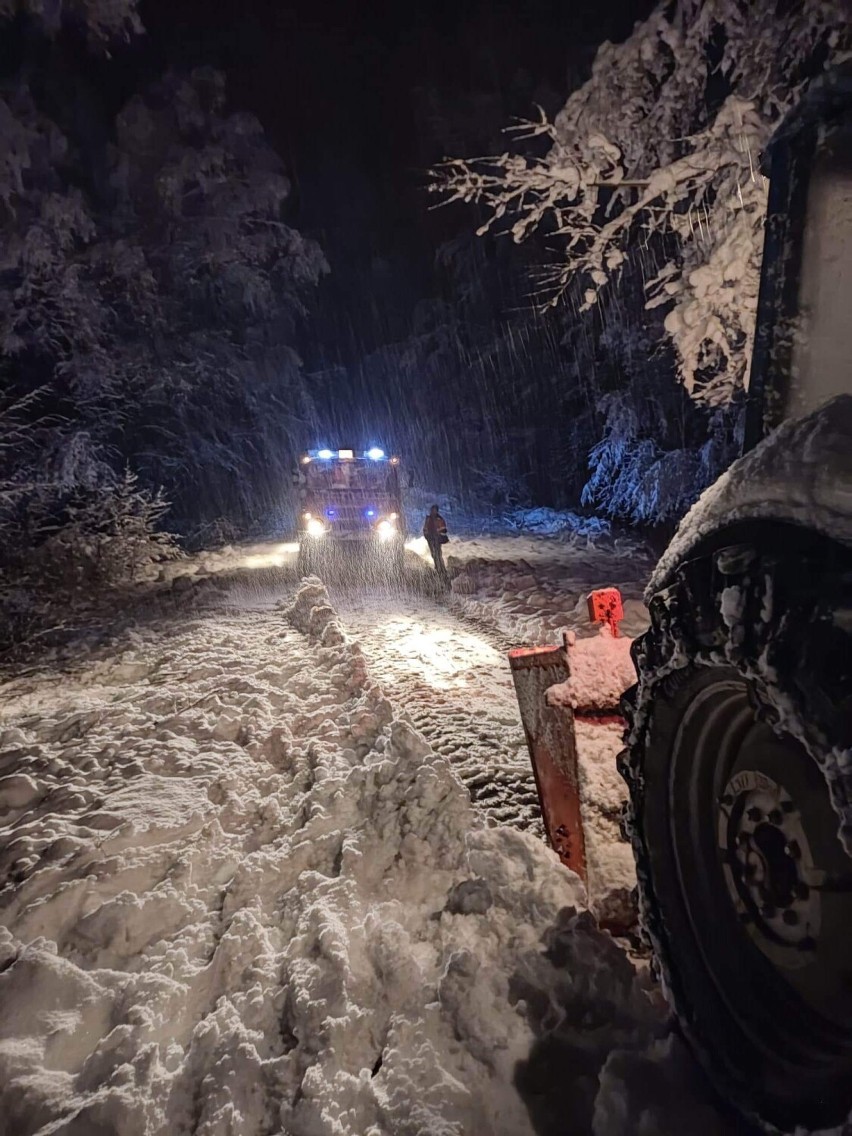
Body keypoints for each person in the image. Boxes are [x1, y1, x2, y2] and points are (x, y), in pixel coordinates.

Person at [423, 504, 449, 580]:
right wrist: (426, 536)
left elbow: (444, 529)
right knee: (434, 554)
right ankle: (438, 568)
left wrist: (439, 534)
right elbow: (425, 528)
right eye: (432, 510)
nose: (433, 511)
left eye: (434, 510)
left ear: (436, 511)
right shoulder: (428, 518)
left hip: (437, 539)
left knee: (438, 554)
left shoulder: (439, 518)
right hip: (430, 539)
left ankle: (442, 570)